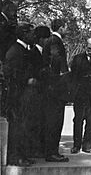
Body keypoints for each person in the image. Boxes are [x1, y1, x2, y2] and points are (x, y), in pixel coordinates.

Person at [3, 22, 35, 166]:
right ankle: (16, 157)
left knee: (23, 126)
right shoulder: (16, 51)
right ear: (23, 34)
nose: (33, 35)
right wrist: (27, 80)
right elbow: (11, 74)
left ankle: (22, 155)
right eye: (31, 33)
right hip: (17, 97)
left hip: (23, 96)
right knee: (17, 127)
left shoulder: (23, 50)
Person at [42, 18, 69, 162]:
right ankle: (52, 153)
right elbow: (55, 61)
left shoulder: (52, 40)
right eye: (65, 28)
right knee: (55, 121)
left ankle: (52, 151)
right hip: (55, 89)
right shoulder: (54, 41)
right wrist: (65, 76)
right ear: (60, 28)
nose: (66, 30)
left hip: (53, 88)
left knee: (55, 121)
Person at [24, 26, 51, 158]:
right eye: (47, 39)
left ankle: (38, 150)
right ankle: (33, 151)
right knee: (34, 123)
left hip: (41, 94)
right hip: (35, 94)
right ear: (42, 39)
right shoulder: (33, 54)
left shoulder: (43, 54)